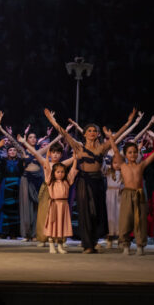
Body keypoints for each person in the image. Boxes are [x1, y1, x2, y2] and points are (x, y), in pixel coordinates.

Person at [45, 106, 138, 253]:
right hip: (83, 182)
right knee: (85, 213)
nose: (92, 132)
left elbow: (117, 137)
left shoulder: (102, 148)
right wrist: (52, 121)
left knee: (97, 213)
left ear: (98, 134)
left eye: (94, 130)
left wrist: (128, 122)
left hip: (98, 182)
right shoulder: (78, 147)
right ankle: (87, 245)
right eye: (89, 130)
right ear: (84, 134)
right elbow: (64, 133)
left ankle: (93, 242)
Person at [103, 129, 154, 255]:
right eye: (130, 152)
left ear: (138, 153)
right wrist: (111, 137)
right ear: (126, 155)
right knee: (126, 220)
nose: (132, 155)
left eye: (134, 152)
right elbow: (115, 150)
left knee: (140, 220)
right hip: (127, 194)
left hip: (139, 194)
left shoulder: (141, 165)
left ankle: (140, 245)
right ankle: (125, 244)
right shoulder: (123, 165)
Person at [42, 158, 80, 253]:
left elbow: (72, 171)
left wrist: (75, 160)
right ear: (54, 173)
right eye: (58, 172)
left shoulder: (66, 182)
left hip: (63, 206)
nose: (60, 174)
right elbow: (47, 169)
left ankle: (59, 246)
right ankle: (51, 245)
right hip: (54, 205)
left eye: (62, 172)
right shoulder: (50, 181)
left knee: (61, 225)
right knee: (53, 225)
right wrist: (47, 156)